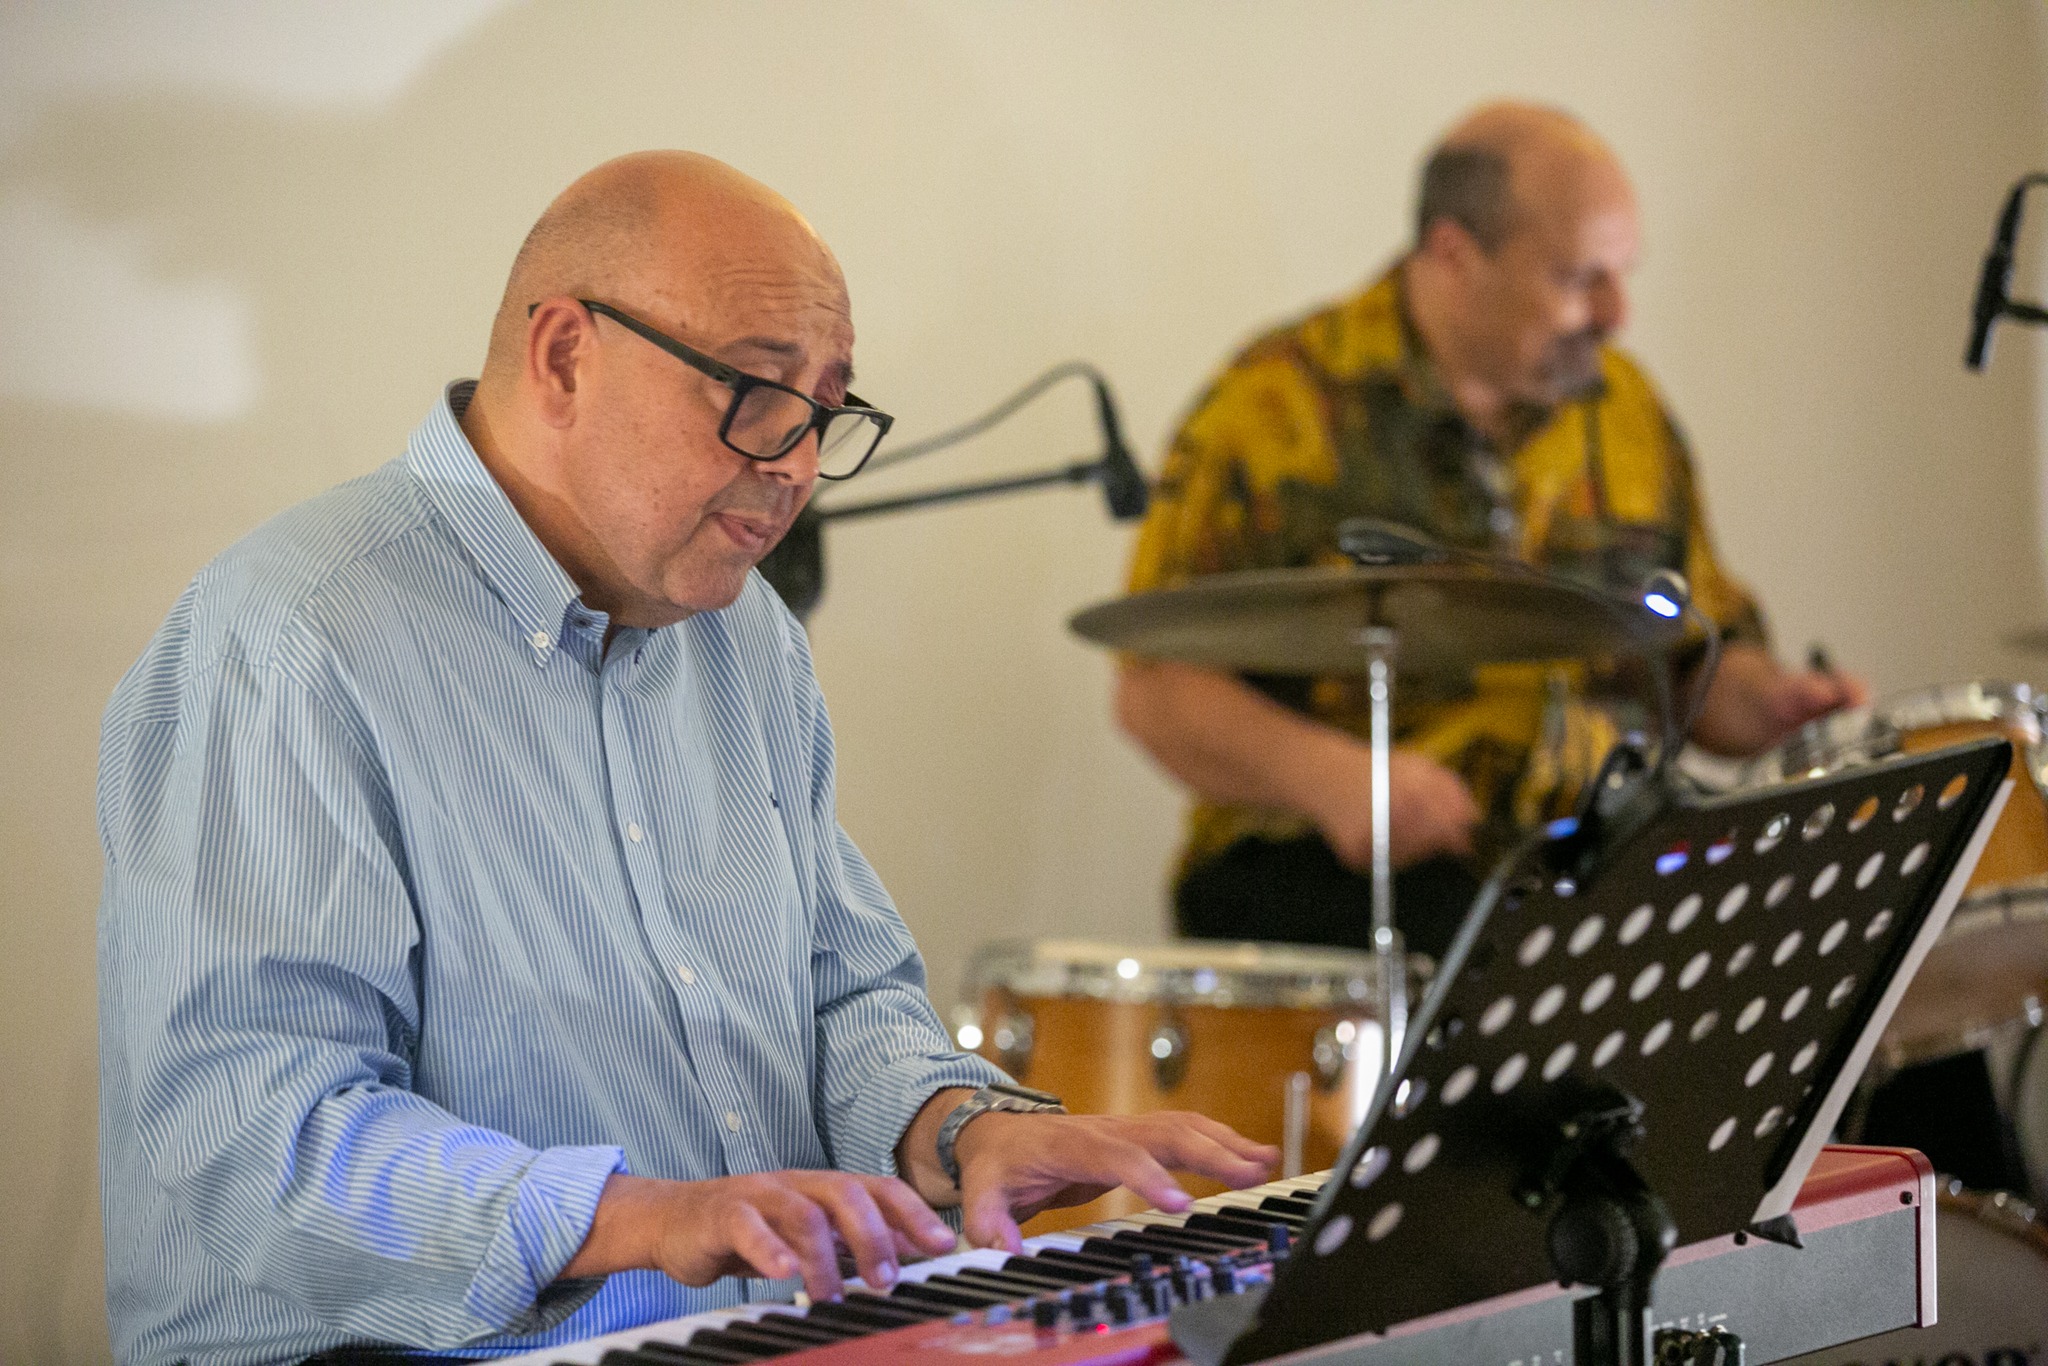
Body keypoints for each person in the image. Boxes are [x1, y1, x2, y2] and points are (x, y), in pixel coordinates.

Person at [96, 151, 1277, 1366]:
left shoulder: (741, 631)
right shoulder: (293, 639)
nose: (797, 463)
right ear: (566, 355)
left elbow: (838, 997)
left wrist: (959, 1129)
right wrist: (644, 1218)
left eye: (824, 408)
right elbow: (256, 1130)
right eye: (756, 392)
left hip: (737, 1335)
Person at [1117, 102, 1866, 962]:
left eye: (1622, 275)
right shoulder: (1275, 405)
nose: (1617, 312)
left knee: (1831, 927)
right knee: (1505, 945)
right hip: (1341, 866)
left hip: (1588, 843)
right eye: (1579, 278)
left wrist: (1768, 701)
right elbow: (1154, 688)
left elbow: (1689, 665)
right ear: (1454, 257)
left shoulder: (1624, 411)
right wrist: (1337, 780)